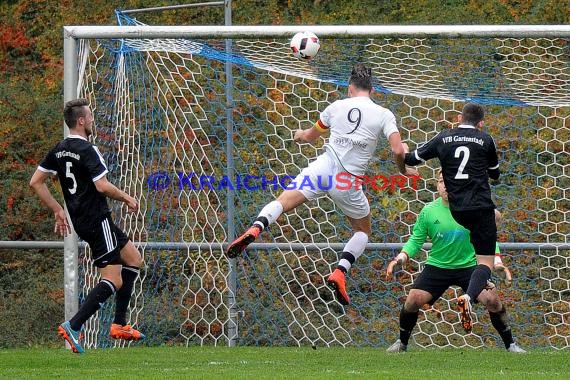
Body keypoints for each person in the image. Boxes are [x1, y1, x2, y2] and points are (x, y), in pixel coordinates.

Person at [226, 63, 417, 305]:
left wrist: (298, 134)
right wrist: (403, 167)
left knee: (282, 201)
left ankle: (256, 227)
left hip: (322, 168)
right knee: (363, 231)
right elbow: (397, 149)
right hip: (346, 181)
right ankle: (340, 271)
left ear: (350, 89)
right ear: (373, 90)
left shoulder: (335, 107)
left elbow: (309, 136)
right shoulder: (383, 114)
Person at [29, 98, 144, 353]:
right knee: (113, 279)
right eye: (90, 116)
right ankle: (74, 325)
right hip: (97, 220)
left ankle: (120, 324)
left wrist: (58, 210)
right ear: (81, 121)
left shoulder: (58, 149)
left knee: (134, 258)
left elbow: (36, 181)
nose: (92, 120)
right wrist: (126, 198)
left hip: (85, 220)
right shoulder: (88, 150)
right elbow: (101, 185)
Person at [385, 171, 525, 353]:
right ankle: (401, 344)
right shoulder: (428, 211)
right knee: (413, 300)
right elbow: (416, 240)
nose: (445, 185)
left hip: (470, 266)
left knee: (492, 300)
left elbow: (487, 237)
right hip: (438, 266)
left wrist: (497, 261)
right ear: (437, 185)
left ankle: (511, 345)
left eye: (449, 181)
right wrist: (401, 257)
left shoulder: (471, 208)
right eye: (441, 181)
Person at [403, 102, 499, 332]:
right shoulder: (486, 140)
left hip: (458, 210)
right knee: (485, 261)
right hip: (481, 206)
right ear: (481, 123)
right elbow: (495, 174)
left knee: (476, 244)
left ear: (459, 118)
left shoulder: (444, 137)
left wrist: (402, 151)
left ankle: (476, 282)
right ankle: (468, 296)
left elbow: (412, 158)